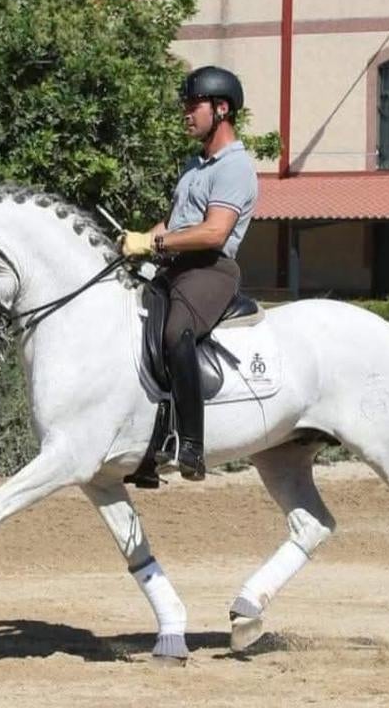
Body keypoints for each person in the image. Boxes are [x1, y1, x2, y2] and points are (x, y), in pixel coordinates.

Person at [121, 65, 258, 481]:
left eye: (193, 105)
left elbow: (214, 232)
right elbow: (174, 223)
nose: (186, 113)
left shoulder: (235, 167)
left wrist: (155, 244)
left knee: (175, 332)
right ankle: (144, 441)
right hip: (176, 265)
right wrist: (137, 240)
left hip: (210, 269)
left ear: (221, 109)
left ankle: (191, 446)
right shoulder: (194, 166)